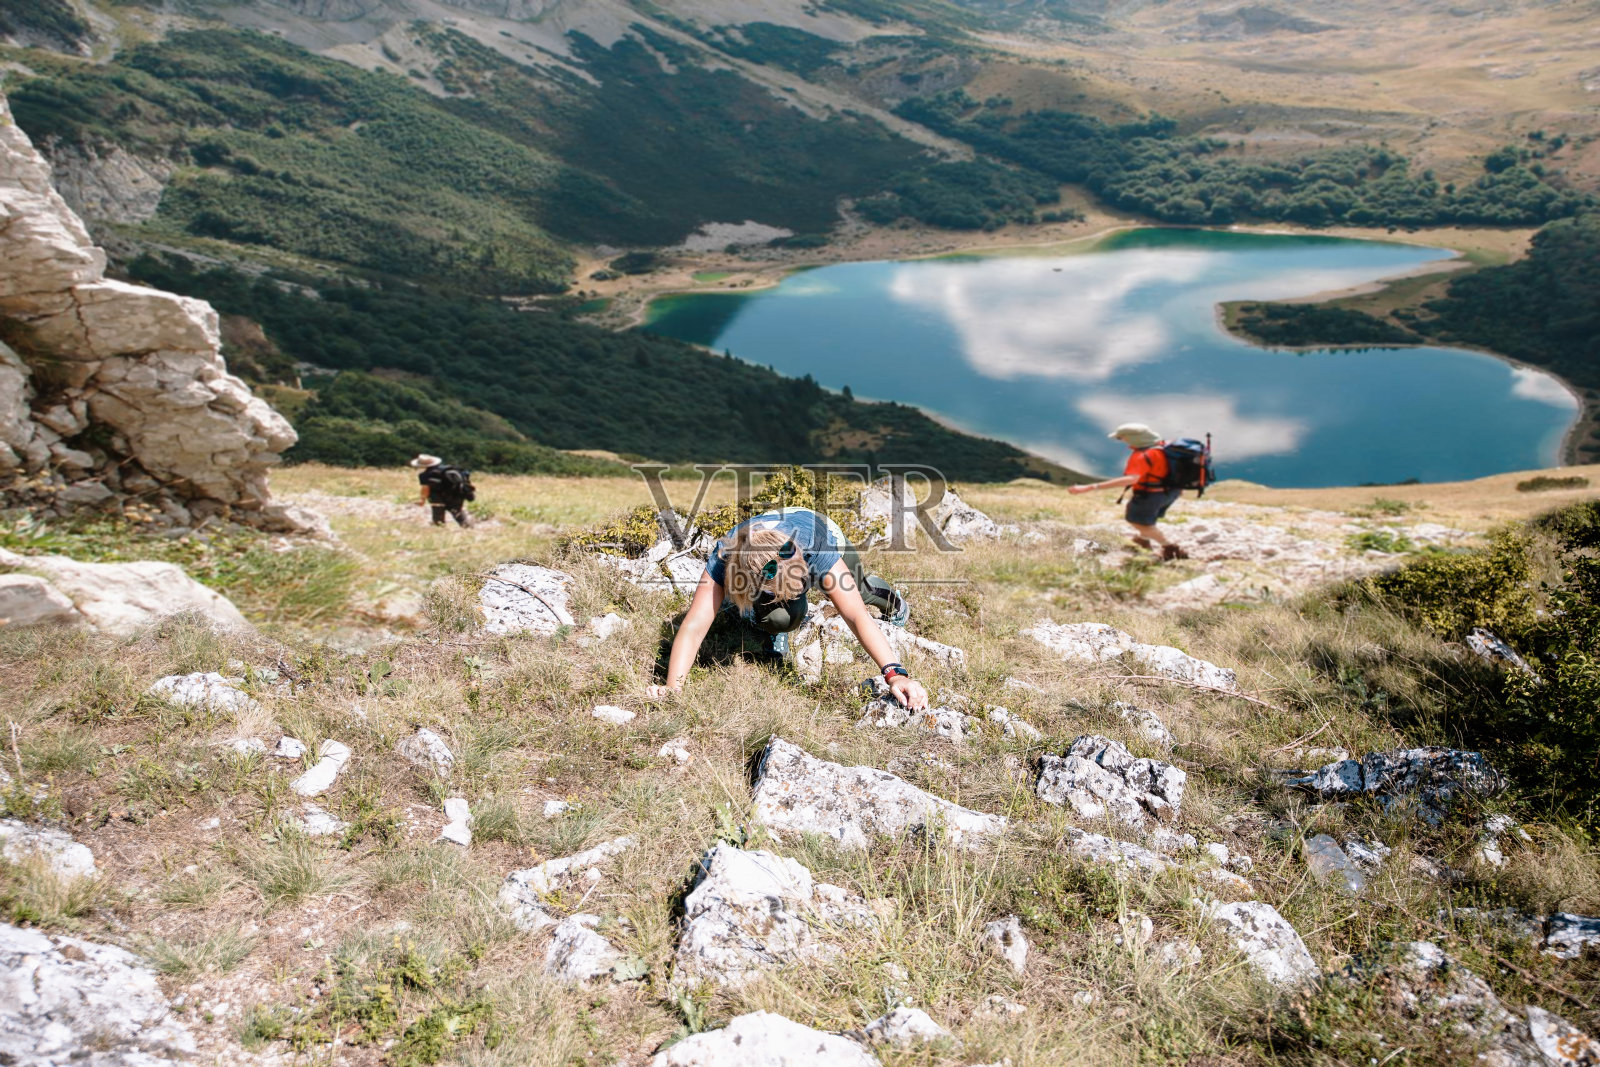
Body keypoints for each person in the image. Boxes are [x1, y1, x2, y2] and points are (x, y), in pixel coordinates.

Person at [645, 507, 928, 709]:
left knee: (857, 592)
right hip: (765, 554)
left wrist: (895, 674)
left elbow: (855, 616)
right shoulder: (725, 558)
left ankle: (893, 601)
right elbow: (694, 626)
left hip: (815, 527)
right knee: (778, 616)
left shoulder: (817, 550)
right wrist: (673, 688)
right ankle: (775, 622)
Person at [1069, 423, 1189, 560]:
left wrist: (1091, 487)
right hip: (1171, 491)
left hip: (1151, 494)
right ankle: (1142, 540)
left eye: (1122, 438)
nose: (1122, 441)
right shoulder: (1163, 447)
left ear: (1134, 438)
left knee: (1137, 521)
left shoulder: (1142, 456)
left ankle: (1171, 549)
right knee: (1147, 517)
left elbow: (1131, 479)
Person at [411, 454, 471, 527]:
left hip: (437, 498)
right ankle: (468, 527)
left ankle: (440, 529)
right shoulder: (450, 470)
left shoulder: (424, 475)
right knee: (457, 513)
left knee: (438, 517)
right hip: (456, 495)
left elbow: (425, 489)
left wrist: (422, 500)